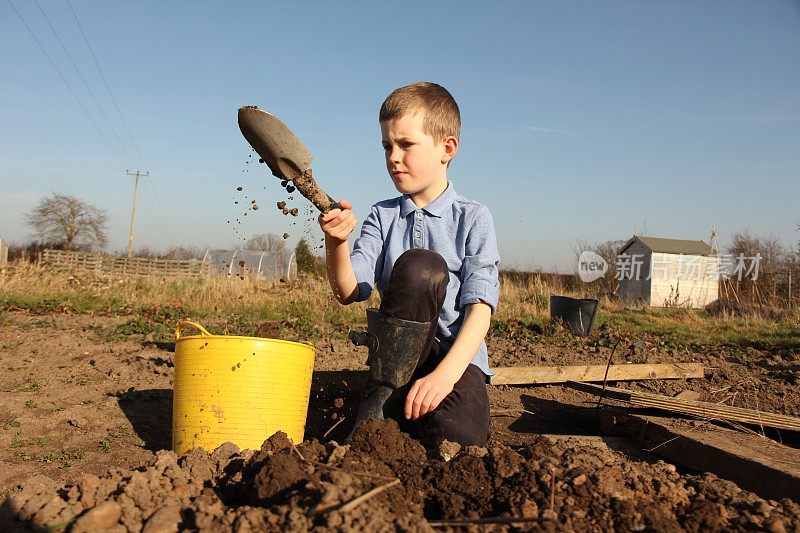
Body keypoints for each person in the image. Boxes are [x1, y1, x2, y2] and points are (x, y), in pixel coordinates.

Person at [318, 82, 500, 447]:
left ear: (447, 148)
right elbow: (349, 290)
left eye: (406, 145)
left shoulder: (473, 217)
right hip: (395, 363)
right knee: (420, 267)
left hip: (456, 361)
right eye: (387, 146)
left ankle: (420, 417)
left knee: (456, 440)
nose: (393, 157)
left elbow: (480, 310)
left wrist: (444, 378)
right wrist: (336, 242)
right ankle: (381, 408)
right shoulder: (382, 217)